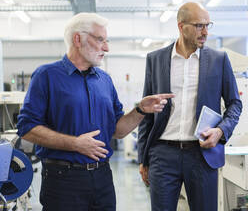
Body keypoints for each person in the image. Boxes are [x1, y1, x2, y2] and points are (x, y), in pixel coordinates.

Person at [16, 12, 174, 211]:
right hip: (62, 180)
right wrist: (75, 144)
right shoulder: (47, 76)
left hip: (102, 179)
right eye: (100, 40)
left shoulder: (104, 80)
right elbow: (26, 127)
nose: (106, 48)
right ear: (77, 39)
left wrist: (141, 110)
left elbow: (117, 130)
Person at [138, 2, 242, 211]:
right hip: (163, 153)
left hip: (201, 154)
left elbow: (234, 104)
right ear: (181, 26)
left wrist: (221, 131)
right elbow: (147, 114)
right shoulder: (156, 60)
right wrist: (143, 158)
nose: (205, 32)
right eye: (198, 26)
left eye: (207, 25)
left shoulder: (218, 60)